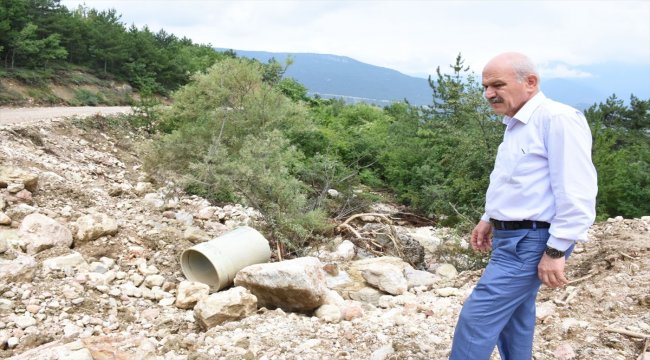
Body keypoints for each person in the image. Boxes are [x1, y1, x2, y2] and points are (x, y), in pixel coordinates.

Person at [449, 52, 597, 360]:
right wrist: (488, 217)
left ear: (530, 82)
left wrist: (556, 250)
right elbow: (514, 181)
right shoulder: (516, 124)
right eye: (485, 87)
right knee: (515, 317)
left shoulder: (558, 119)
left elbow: (577, 190)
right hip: (513, 238)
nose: (489, 93)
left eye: (498, 85)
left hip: (531, 241)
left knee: (476, 318)